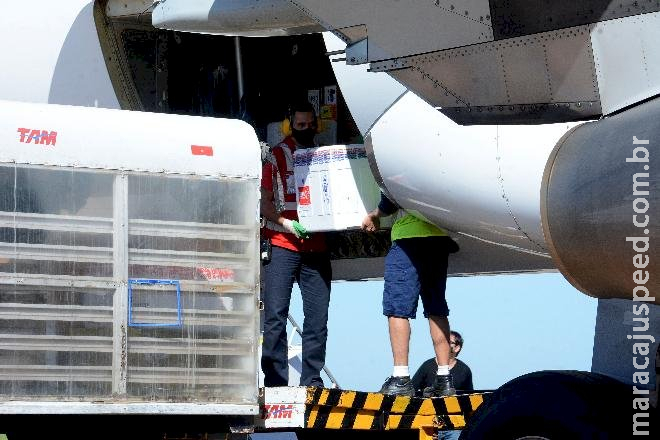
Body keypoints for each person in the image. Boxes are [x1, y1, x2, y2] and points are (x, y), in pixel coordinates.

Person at [260, 100, 331, 387]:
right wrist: (287, 223)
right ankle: (276, 380)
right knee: (275, 315)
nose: (305, 129)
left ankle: (311, 378)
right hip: (282, 243)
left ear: (316, 125)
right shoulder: (276, 156)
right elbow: (263, 203)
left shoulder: (325, 157)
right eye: (299, 125)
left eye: (309, 124)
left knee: (317, 319)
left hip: (317, 247)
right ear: (290, 125)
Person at [362, 192, 458, 397]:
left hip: (408, 238)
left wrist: (375, 214)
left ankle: (401, 378)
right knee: (436, 307)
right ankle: (444, 378)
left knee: (398, 308)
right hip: (439, 236)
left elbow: (392, 195)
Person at [412, 330, 473, 396]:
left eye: (448, 342)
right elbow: (412, 389)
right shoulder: (427, 366)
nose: (443, 344)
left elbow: (470, 396)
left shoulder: (464, 370)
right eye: (442, 341)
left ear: (457, 348)